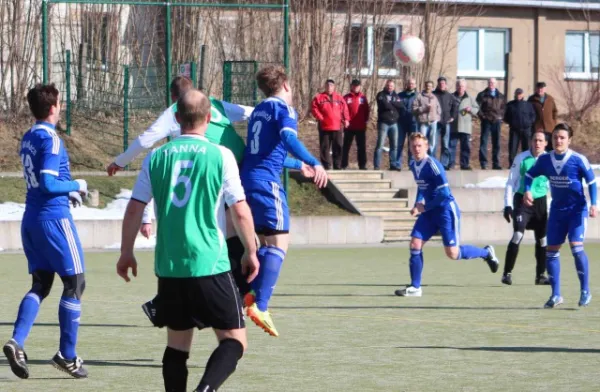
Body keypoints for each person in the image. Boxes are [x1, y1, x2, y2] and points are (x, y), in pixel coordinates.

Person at [116, 89, 260, 392]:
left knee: (178, 345)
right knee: (235, 341)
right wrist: (251, 250)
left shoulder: (157, 156)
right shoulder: (221, 155)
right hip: (210, 263)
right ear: (209, 118)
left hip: (170, 266)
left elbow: (134, 208)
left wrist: (126, 252)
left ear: (177, 118)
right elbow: (240, 211)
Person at [4, 84, 89, 379]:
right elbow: (50, 184)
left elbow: (45, 182)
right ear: (53, 107)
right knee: (75, 283)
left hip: (31, 219)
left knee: (41, 284)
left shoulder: (27, 137)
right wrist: (77, 185)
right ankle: (67, 355)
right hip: (53, 221)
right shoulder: (51, 139)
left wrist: (67, 191)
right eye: (60, 103)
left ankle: (16, 341)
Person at [241, 65, 328, 337]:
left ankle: (251, 293)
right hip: (267, 183)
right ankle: (260, 305)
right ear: (286, 85)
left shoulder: (258, 111)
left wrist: (294, 165)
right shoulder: (284, 110)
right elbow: (289, 138)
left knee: (267, 241)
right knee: (280, 242)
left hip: (248, 180)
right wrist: (313, 161)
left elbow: (265, 151)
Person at [394, 133, 499, 297]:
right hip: (429, 212)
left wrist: (425, 206)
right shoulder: (414, 165)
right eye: (413, 146)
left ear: (426, 147)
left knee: (453, 253)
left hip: (445, 211)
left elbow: (444, 193)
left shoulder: (433, 165)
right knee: (415, 244)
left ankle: (486, 253)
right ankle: (415, 287)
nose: (416, 149)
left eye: (419, 145)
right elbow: (423, 187)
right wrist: (417, 204)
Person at [524, 123, 597, 308]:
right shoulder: (545, 160)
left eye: (562, 137)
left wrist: (594, 204)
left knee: (576, 247)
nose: (558, 140)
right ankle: (556, 295)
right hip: (557, 212)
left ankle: (585, 291)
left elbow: (592, 182)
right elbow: (529, 176)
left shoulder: (578, 159)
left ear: (569, 140)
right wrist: (527, 191)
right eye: (556, 137)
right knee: (551, 252)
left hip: (576, 211)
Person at [502, 130, 550, 286]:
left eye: (540, 140)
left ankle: (540, 276)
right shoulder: (521, 158)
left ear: (546, 143)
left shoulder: (549, 159)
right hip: (522, 201)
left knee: (542, 240)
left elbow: (554, 183)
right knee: (517, 235)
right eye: (535, 140)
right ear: (531, 141)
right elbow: (511, 182)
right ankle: (507, 273)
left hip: (541, 203)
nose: (537, 143)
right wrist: (507, 205)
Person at [311, 79, 349, 170]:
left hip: (337, 126)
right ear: (325, 86)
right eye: (327, 85)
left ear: (334, 87)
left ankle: (337, 166)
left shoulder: (339, 98)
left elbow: (345, 110)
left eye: (331, 85)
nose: (329, 87)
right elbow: (314, 108)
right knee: (325, 147)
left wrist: (346, 119)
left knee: (338, 146)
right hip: (324, 126)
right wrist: (320, 117)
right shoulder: (319, 97)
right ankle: (326, 166)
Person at [476, 78, 505, 170]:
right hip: (486, 121)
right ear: (487, 84)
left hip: (497, 121)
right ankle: (483, 163)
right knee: (484, 142)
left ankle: (496, 163)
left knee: (496, 143)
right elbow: (477, 107)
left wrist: (500, 117)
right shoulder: (482, 95)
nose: (491, 84)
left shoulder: (500, 96)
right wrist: (483, 117)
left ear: (496, 84)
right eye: (489, 82)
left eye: (493, 83)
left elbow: (504, 108)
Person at [374, 79, 403, 170]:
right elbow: (384, 105)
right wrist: (394, 105)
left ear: (394, 87)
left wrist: (392, 103)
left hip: (394, 123)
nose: (390, 87)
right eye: (388, 85)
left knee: (394, 145)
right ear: (386, 86)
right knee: (380, 145)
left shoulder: (396, 95)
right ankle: (377, 166)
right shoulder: (381, 94)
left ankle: (393, 164)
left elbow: (401, 106)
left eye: (391, 86)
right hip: (384, 123)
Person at [450, 78, 478, 170]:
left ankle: (464, 164)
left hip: (465, 127)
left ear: (465, 87)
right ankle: (451, 164)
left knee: (465, 147)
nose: (460, 87)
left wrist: (471, 110)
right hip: (453, 126)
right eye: (458, 85)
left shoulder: (470, 98)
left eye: (462, 86)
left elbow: (477, 109)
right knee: (452, 146)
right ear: (456, 86)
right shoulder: (451, 96)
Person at [504, 88, 536, 167]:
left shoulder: (528, 105)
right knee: (512, 149)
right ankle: (512, 165)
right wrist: (512, 123)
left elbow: (533, 115)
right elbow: (505, 116)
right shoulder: (510, 105)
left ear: (523, 95)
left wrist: (529, 123)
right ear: (515, 94)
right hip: (514, 130)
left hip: (526, 130)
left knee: (526, 149)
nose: (519, 95)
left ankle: (527, 165)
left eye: (520, 94)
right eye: (517, 94)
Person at [342, 79, 369, 170]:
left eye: (357, 86)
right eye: (354, 86)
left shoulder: (363, 97)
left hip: (360, 126)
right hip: (349, 126)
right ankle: (344, 164)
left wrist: (365, 121)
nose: (355, 87)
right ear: (351, 86)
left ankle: (362, 165)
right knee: (346, 146)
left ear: (360, 87)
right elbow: (342, 111)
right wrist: (344, 120)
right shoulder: (346, 97)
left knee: (361, 147)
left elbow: (366, 111)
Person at [433, 76, 457, 170]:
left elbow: (455, 108)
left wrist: (452, 117)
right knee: (434, 144)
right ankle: (433, 163)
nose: (442, 85)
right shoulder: (433, 95)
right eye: (440, 83)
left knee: (445, 144)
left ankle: (444, 164)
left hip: (446, 122)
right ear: (438, 85)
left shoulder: (450, 96)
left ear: (445, 85)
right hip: (436, 122)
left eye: (443, 83)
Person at [412, 81, 441, 156]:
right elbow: (414, 109)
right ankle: (422, 155)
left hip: (433, 122)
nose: (429, 87)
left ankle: (430, 155)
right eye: (427, 86)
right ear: (425, 86)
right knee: (422, 140)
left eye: (430, 86)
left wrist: (437, 118)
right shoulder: (419, 96)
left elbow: (439, 109)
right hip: (423, 122)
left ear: (432, 87)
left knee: (432, 141)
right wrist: (424, 108)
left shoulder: (434, 97)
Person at [528, 81, 558, 151]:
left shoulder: (550, 99)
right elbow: (528, 112)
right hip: (537, 127)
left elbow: (555, 111)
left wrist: (554, 122)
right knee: (538, 147)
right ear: (536, 89)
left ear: (545, 89)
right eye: (538, 88)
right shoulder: (531, 99)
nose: (540, 90)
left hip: (549, 128)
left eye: (541, 88)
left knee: (550, 147)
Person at [398, 78, 419, 166]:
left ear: (415, 85)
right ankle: (397, 164)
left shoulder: (418, 95)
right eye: (410, 83)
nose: (411, 85)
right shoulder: (400, 95)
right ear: (407, 84)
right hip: (401, 122)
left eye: (413, 84)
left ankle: (412, 164)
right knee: (399, 143)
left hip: (413, 122)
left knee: (413, 144)